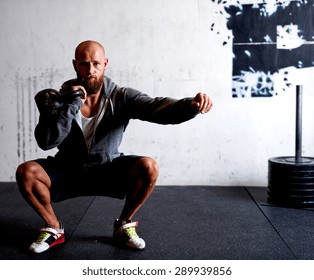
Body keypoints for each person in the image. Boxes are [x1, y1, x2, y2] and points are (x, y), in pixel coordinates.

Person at [15, 40, 213, 254]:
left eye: (96, 64)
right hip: (68, 169)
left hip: (106, 167)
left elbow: (157, 107)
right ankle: (54, 228)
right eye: (84, 64)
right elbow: (46, 142)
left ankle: (124, 225)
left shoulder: (121, 96)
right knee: (26, 172)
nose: (90, 71)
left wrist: (190, 105)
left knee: (149, 166)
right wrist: (72, 104)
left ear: (105, 63)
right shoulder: (59, 99)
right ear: (75, 65)